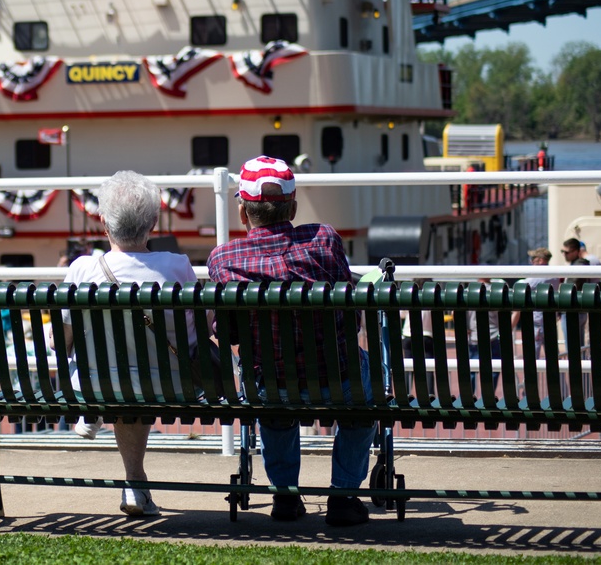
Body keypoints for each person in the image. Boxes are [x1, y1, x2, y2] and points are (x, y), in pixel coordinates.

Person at [206, 155, 377, 527]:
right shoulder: (324, 239)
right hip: (339, 383)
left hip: (273, 388)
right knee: (365, 394)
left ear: (242, 213)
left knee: (273, 398)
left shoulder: (224, 259)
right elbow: (352, 314)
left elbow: (229, 333)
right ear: (294, 207)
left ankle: (285, 496)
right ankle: (344, 496)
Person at [57, 170, 199, 517]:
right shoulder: (177, 267)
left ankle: (93, 413)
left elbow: (61, 344)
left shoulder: (81, 270)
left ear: (103, 221)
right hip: (168, 385)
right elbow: (193, 337)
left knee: (112, 373)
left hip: (94, 385)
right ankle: (135, 483)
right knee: (137, 377)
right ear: (153, 221)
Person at [511, 248, 561, 361]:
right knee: (554, 356)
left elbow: (519, 291)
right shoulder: (554, 275)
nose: (531, 262)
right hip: (550, 320)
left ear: (541, 260)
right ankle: (559, 378)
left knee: (532, 358)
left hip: (537, 323)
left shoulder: (536, 277)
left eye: (533, 259)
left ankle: (529, 379)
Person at [466, 278, 502, 395]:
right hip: (492, 335)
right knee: (494, 368)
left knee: (471, 369)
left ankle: (469, 397)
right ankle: (489, 395)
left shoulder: (468, 291)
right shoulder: (496, 292)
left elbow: (454, 313)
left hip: (474, 336)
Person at [561, 237, 591, 347]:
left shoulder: (579, 265)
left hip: (572, 310)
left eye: (566, 252)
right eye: (562, 252)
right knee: (579, 346)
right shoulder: (578, 264)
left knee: (572, 347)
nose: (564, 254)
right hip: (578, 310)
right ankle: (580, 363)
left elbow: (571, 286)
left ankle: (575, 364)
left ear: (576, 251)